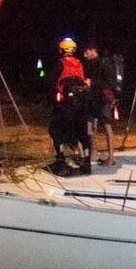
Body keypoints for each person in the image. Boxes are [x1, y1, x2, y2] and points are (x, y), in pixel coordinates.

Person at [49, 37, 91, 175]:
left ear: (62, 49)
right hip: (82, 104)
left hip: (65, 105)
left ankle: (60, 162)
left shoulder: (60, 63)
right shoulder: (80, 63)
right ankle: (86, 163)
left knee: (56, 130)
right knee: (82, 134)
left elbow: (53, 81)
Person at [82, 41, 120, 166]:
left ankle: (111, 157)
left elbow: (111, 83)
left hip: (104, 99)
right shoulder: (91, 64)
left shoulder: (105, 62)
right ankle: (93, 152)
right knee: (90, 124)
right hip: (93, 98)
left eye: (86, 52)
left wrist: (92, 83)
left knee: (107, 126)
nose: (84, 55)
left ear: (93, 50)